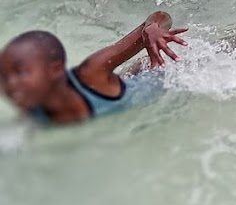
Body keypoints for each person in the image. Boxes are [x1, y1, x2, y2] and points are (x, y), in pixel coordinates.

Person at [0, 12, 186, 125]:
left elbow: (160, 17)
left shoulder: (91, 73)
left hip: (166, 72)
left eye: (20, 72)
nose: (10, 84)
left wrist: (152, 29)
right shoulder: (32, 112)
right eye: (3, 76)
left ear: (55, 70)